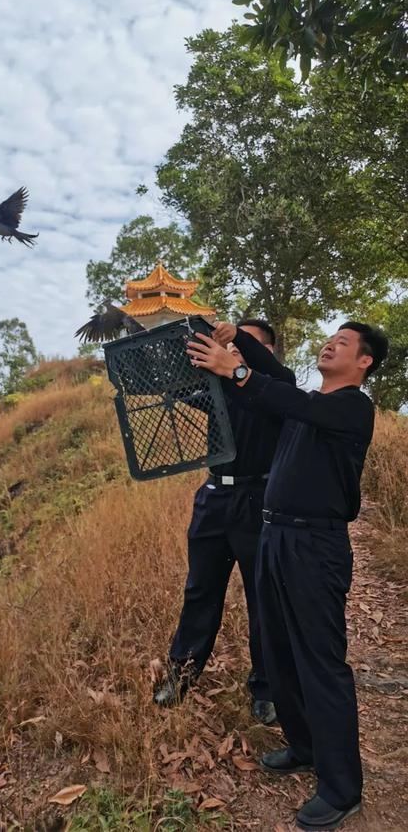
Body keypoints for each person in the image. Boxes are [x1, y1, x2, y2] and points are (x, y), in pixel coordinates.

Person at [187, 321, 388, 832]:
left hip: (314, 546)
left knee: (320, 662)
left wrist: (235, 369)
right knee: (278, 650)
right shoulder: (309, 402)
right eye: (330, 338)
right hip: (274, 536)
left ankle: (343, 788)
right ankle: (303, 747)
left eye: (343, 343)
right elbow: (276, 377)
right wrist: (242, 339)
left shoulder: (350, 407)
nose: (330, 344)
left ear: (363, 362)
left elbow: (283, 395)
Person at [153, 319, 295, 726]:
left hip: (258, 501)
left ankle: (266, 689)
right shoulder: (217, 391)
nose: (228, 347)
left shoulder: (276, 391)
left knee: (262, 598)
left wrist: (241, 342)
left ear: (262, 350)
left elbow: (279, 375)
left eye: (240, 343)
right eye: (228, 341)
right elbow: (175, 389)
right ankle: (181, 676)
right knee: (200, 590)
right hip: (214, 498)